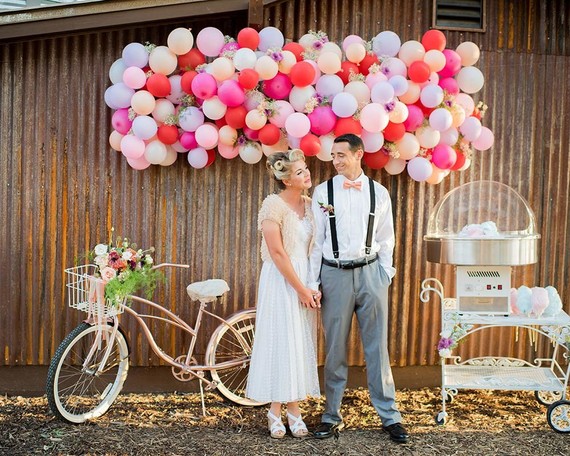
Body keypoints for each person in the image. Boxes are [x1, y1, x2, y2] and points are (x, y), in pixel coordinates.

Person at [308, 134, 409, 444]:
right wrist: (314, 282)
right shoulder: (323, 193)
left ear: (359, 154)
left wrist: (385, 273)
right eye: (333, 155)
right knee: (335, 348)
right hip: (334, 276)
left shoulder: (379, 193)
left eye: (341, 155)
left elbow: (387, 237)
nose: (335, 161)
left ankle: (390, 416)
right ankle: (331, 416)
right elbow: (316, 241)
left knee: (377, 347)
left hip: (370, 275)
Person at [246, 149, 321, 439]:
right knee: (281, 339)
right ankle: (275, 411)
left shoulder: (312, 205)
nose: (307, 174)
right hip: (281, 280)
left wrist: (311, 285)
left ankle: (294, 408)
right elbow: (277, 252)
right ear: (287, 179)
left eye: (305, 169)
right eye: (300, 171)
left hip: (305, 277)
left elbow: (317, 247)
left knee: (299, 341)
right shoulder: (272, 205)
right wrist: (299, 289)